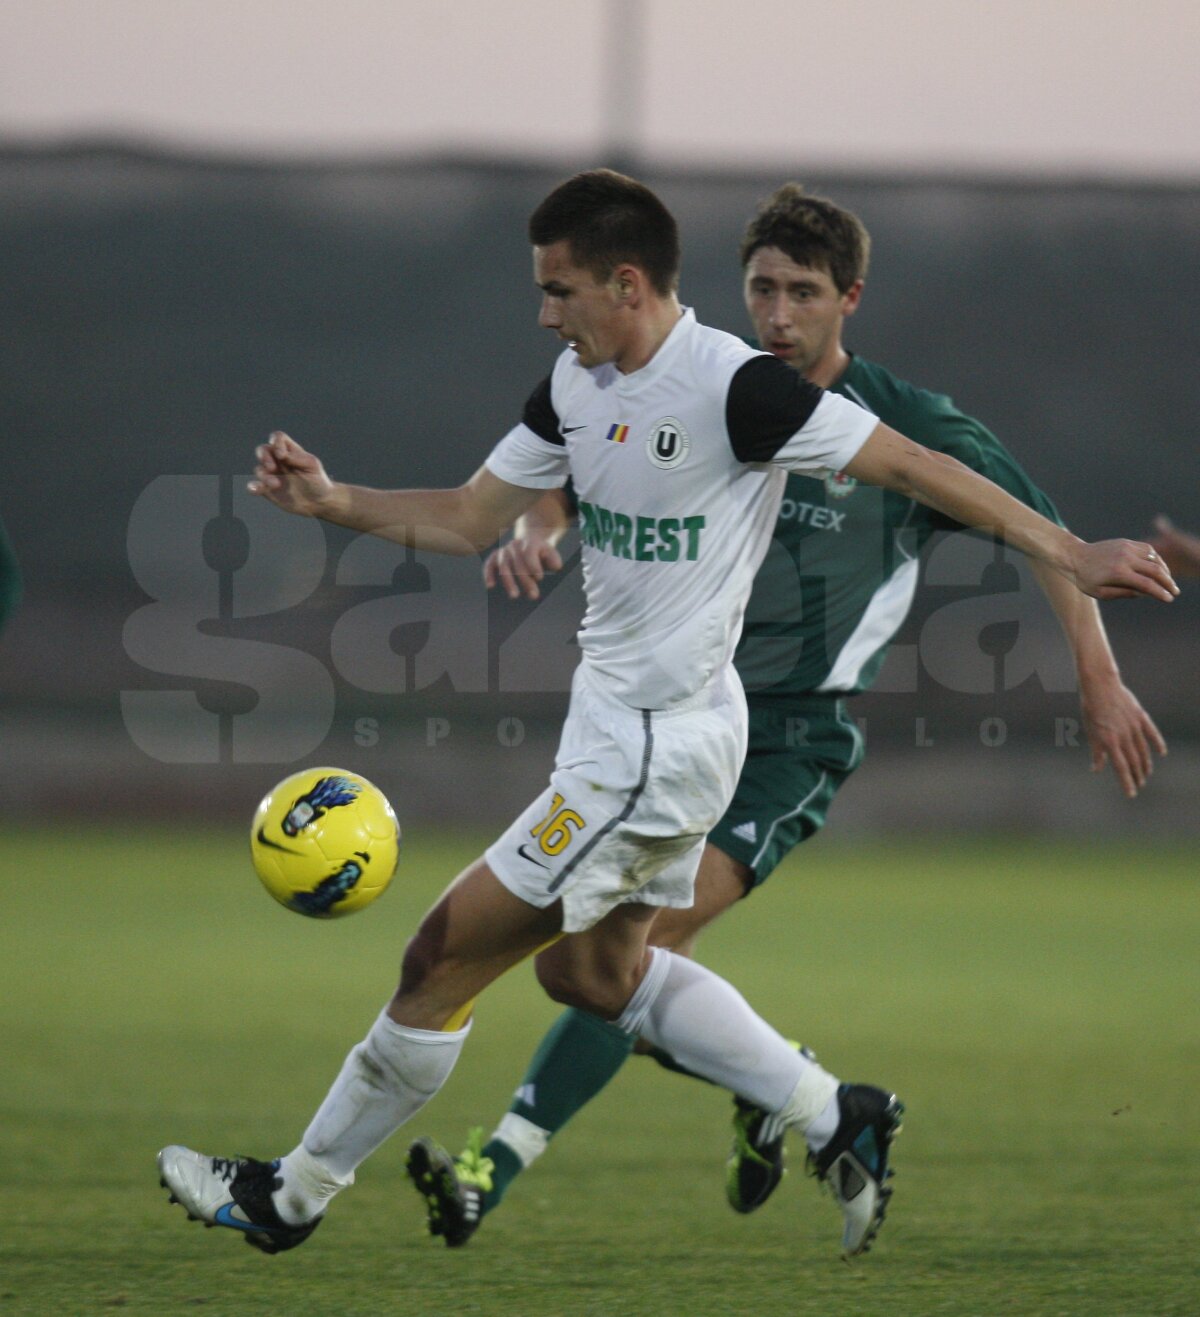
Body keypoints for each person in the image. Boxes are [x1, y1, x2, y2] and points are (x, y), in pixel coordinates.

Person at [156, 170, 1174, 1263]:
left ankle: (291, 1196)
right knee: (589, 974)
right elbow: (468, 517)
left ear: (626, 284)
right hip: (633, 739)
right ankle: (836, 1114)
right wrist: (333, 500)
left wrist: (1072, 554)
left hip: (652, 755)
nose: (546, 313)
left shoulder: (736, 388)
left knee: (439, 957)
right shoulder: (574, 383)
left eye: (560, 290)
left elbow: (917, 462)